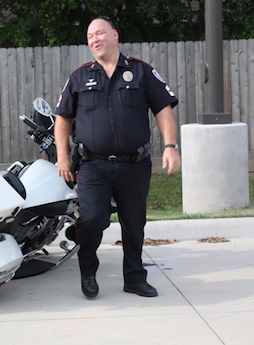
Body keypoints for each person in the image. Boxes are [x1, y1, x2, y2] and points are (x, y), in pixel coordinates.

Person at [54, 16, 181, 298]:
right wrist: (63, 157)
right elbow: (62, 118)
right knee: (93, 219)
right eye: (90, 37)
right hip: (93, 166)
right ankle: (88, 271)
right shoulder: (79, 76)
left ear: (115, 34)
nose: (95, 39)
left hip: (134, 165)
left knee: (134, 223)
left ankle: (135, 278)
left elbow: (163, 109)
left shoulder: (141, 71)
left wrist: (171, 146)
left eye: (100, 33)